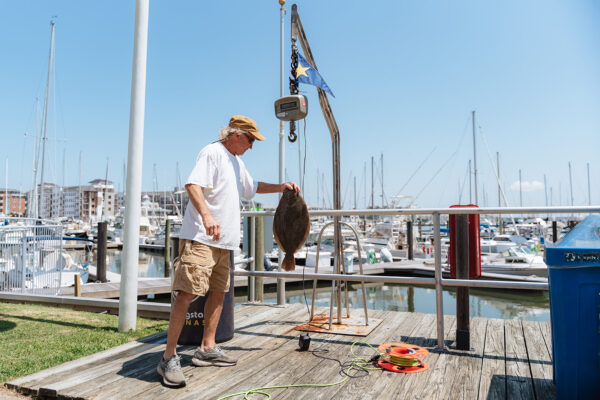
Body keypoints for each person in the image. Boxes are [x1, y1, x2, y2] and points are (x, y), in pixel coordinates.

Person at [157, 115, 299, 387]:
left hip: (226, 243)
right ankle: (168, 357)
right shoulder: (212, 152)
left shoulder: (237, 162)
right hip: (202, 238)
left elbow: (252, 188)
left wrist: (281, 187)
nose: (252, 146)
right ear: (236, 135)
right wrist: (208, 217)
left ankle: (207, 348)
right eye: (251, 140)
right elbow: (193, 185)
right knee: (187, 293)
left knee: (219, 294)